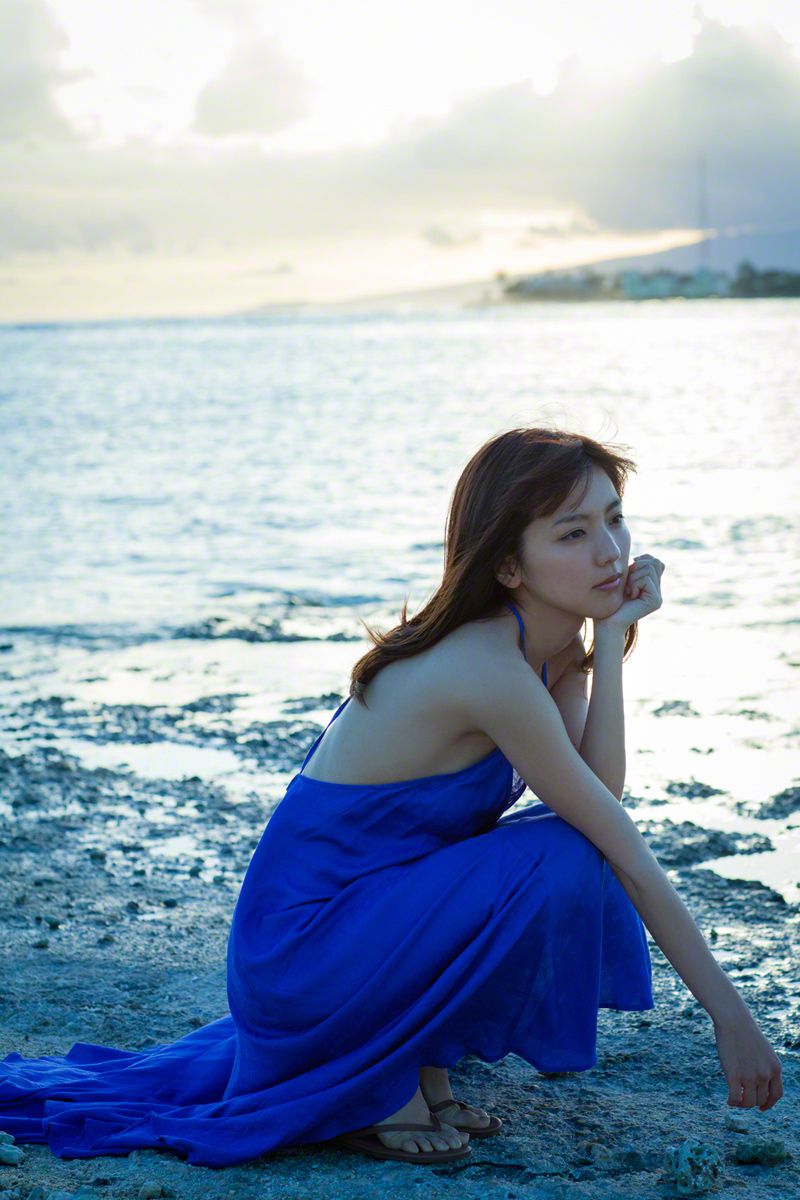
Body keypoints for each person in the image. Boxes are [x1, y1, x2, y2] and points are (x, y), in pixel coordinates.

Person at [0, 427, 783, 1169]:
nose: (610, 550)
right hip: (302, 953)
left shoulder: (550, 650)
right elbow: (616, 839)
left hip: (367, 927)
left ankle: (415, 1061)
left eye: (613, 519)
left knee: (566, 847)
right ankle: (376, 1087)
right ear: (508, 566)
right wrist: (731, 1017)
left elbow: (598, 793)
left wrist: (608, 643)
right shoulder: (486, 664)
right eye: (572, 533)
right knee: (561, 854)